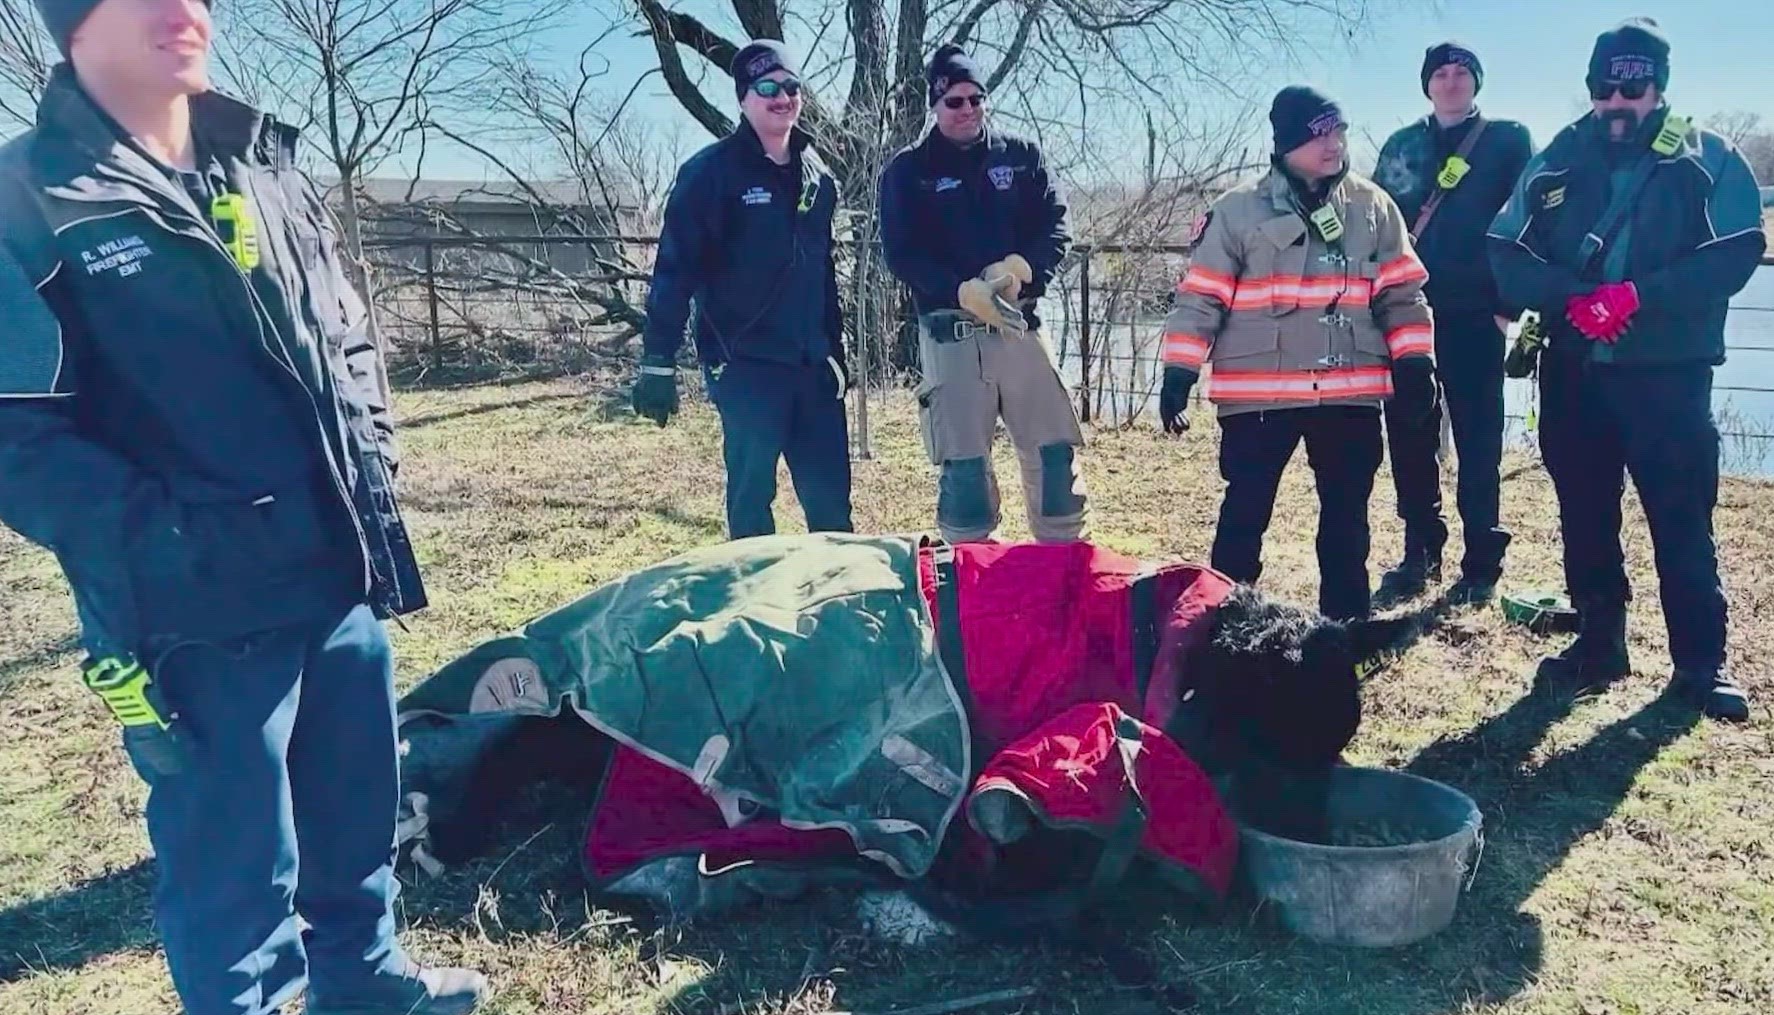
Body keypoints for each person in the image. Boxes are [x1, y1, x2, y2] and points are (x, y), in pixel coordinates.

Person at [0, 0, 486, 1015]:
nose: (188, 10)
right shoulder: (30, 195)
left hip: (335, 560)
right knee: (231, 851)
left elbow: (344, 332)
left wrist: (375, 466)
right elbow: (17, 434)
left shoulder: (255, 162)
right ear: (75, 24)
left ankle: (360, 979)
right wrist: (172, 540)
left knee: (357, 795)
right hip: (193, 603)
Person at [394, 533, 1414, 923]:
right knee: (699, 663)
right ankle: (506, 745)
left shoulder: (1200, 620)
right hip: (892, 629)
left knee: (711, 657)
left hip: (893, 589)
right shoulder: (1155, 653)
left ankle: (537, 737)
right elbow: (1045, 765)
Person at [1488, 18, 1763, 720]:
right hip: (1574, 370)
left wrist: (1639, 296)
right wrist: (1573, 297)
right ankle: (1599, 644)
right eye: (1604, 86)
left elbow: (1737, 250)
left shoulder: (1708, 156)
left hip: (1667, 375)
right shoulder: (1557, 156)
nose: (1617, 100)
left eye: (1632, 86)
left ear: (1659, 87)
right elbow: (1504, 250)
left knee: (1681, 520)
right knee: (1583, 514)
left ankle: (1702, 667)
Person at [1160, 87, 1438, 622]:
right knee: (1244, 518)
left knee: (1347, 524)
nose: (1333, 145)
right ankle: (1224, 627)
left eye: (1339, 132)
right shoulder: (1237, 210)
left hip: (1349, 396)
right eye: (1319, 135)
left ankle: (1344, 631)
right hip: (1260, 397)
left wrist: (1414, 359)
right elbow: (1202, 296)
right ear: (1287, 143)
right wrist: (1180, 368)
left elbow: (1403, 295)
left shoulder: (1374, 207)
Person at [635, 40, 853, 540]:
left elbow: (823, 275)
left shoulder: (820, 179)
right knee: (752, 508)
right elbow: (674, 272)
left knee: (833, 512)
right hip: (745, 368)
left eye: (791, 87)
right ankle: (755, 608)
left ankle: (838, 611)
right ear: (743, 98)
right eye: (768, 87)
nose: (783, 97)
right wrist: (657, 362)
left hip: (813, 370)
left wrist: (836, 355)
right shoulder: (709, 174)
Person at [878, 44, 1087, 544]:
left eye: (976, 97)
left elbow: (1057, 226)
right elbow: (901, 253)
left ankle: (1063, 567)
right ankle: (971, 581)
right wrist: (957, 288)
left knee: (1055, 459)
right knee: (965, 472)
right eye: (954, 101)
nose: (968, 108)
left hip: (1019, 327)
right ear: (935, 104)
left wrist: (1025, 268)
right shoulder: (907, 172)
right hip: (953, 334)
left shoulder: (1020, 157)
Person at [1371, 43, 1535, 604]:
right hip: (1408, 313)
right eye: (1439, 74)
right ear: (1427, 85)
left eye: (1460, 72)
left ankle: (1482, 559)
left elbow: (1530, 220)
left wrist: (1507, 305)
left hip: (1476, 312)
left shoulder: (1508, 140)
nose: (1449, 81)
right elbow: (1375, 223)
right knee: (1411, 432)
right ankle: (1421, 548)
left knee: (1479, 436)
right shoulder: (1402, 145)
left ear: (1476, 81)